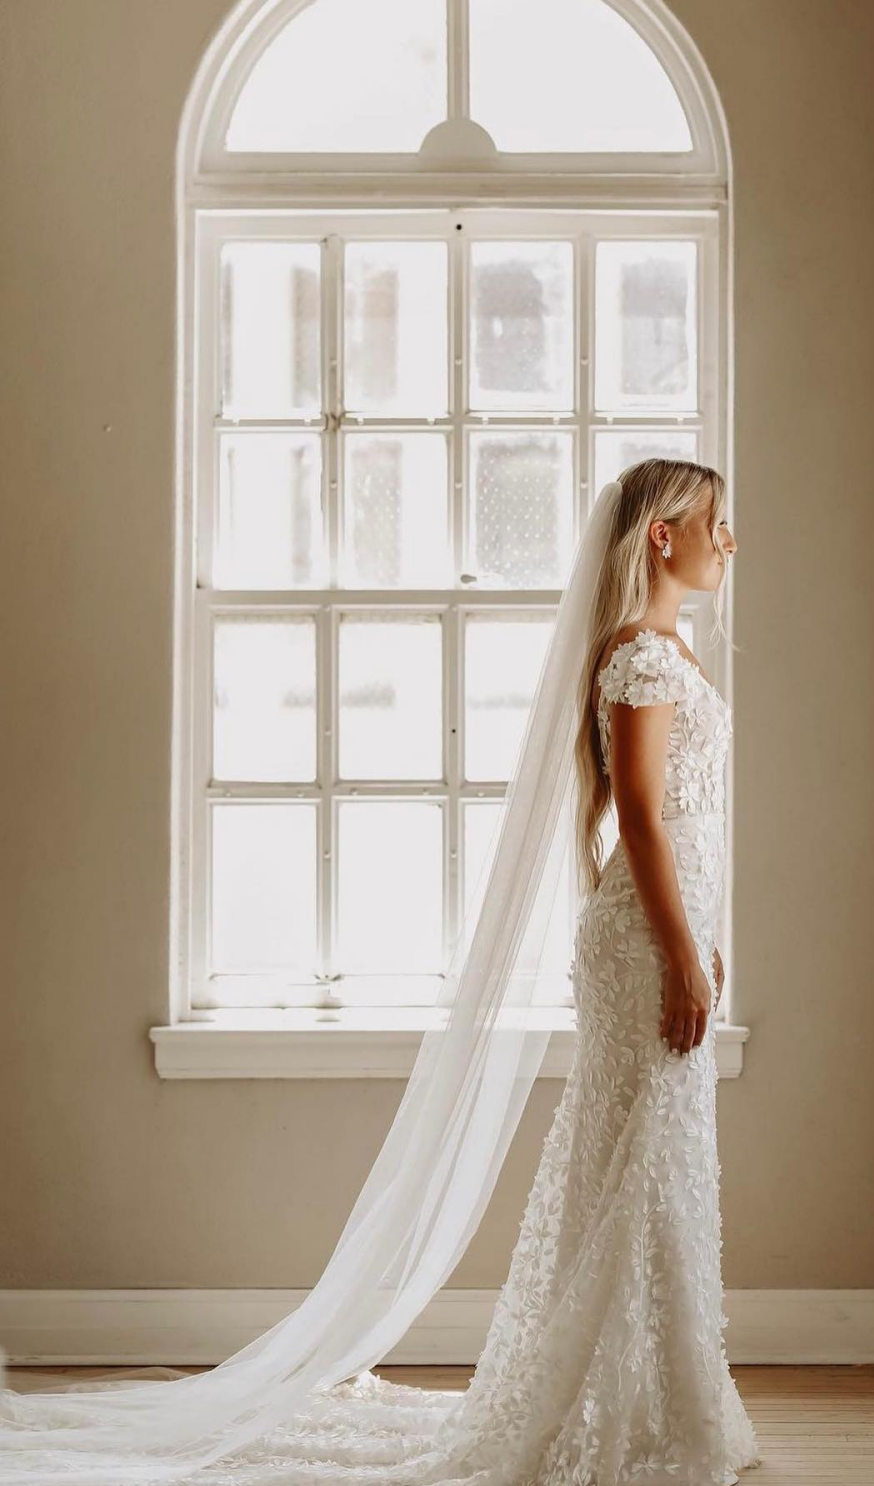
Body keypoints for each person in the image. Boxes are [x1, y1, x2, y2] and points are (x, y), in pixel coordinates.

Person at [0, 459, 759, 1486]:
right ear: (663, 536)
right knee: (641, 1163)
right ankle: (633, 1418)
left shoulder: (672, 649)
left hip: (665, 933)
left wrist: (703, 936)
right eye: (718, 522)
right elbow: (643, 820)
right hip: (640, 944)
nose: (732, 541)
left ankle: (656, 1403)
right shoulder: (639, 659)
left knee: (653, 1160)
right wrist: (677, 949)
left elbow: (689, 824)